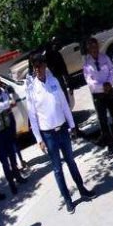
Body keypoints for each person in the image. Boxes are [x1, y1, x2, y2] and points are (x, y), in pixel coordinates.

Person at [27, 54, 96, 214]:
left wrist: (72, 125)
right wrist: (39, 139)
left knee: (71, 162)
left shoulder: (53, 81)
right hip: (48, 135)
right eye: (35, 66)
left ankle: (82, 190)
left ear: (45, 65)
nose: (38, 69)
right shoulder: (32, 89)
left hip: (63, 130)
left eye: (40, 65)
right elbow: (32, 117)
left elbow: (65, 105)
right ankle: (67, 199)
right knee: (57, 169)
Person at [82, 37, 113, 152]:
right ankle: (110, 144)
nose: (94, 49)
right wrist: (102, 87)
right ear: (88, 49)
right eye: (91, 47)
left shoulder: (105, 57)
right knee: (103, 121)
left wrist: (109, 83)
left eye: (95, 46)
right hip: (98, 95)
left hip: (109, 91)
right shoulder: (87, 64)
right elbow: (90, 82)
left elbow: (112, 70)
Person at [44, 37, 72, 102]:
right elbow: (64, 69)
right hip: (57, 77)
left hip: (56, 77)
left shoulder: (48, 56)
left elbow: (63, 68)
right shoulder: (54, 54)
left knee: (61, 93)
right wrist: (69, 84)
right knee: (62, 92)